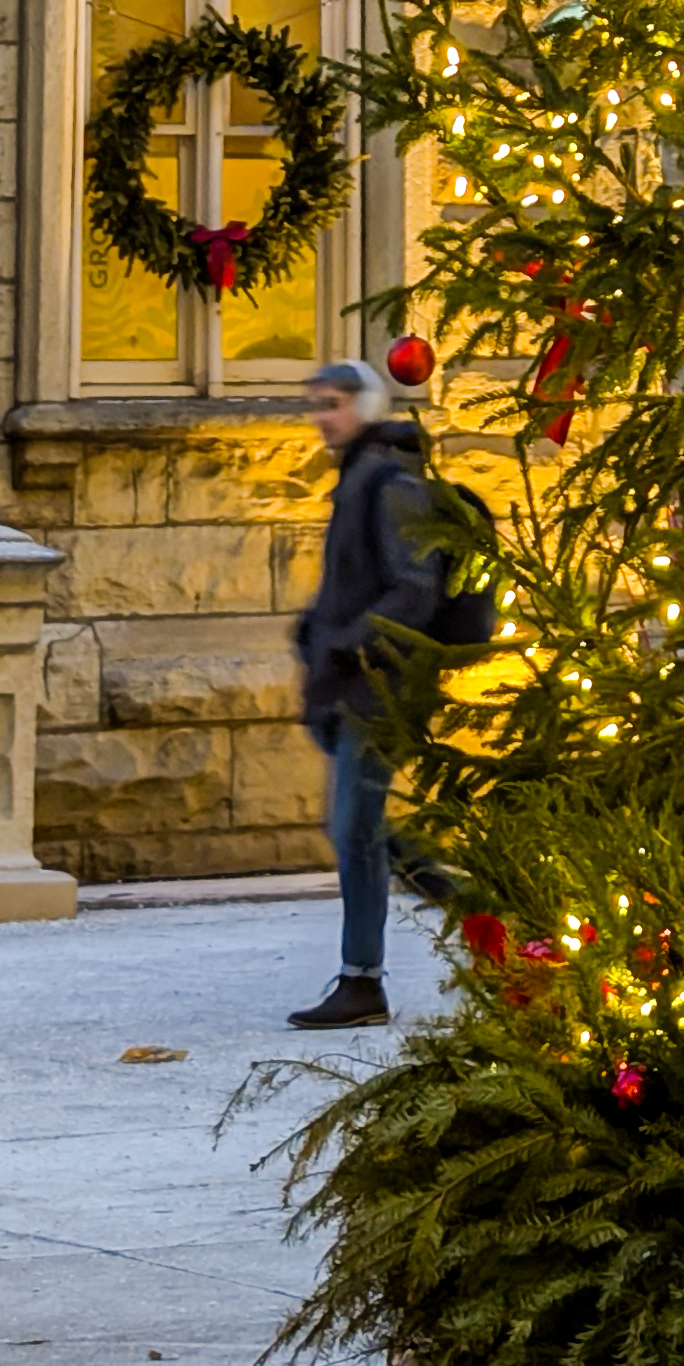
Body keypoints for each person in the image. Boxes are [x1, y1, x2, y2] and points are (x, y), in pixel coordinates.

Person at [289, 349, 452, 1033]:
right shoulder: (358, 477)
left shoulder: (388, 481)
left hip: (379, 684)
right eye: (319, 404)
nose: (324, 417)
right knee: (361, 828)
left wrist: (355, 640)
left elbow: (415, 584)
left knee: (354, 827)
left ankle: (363, 982)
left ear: (369, 407)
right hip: (352, 679)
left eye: (335, 403)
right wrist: (316, 629)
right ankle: (475, 904)